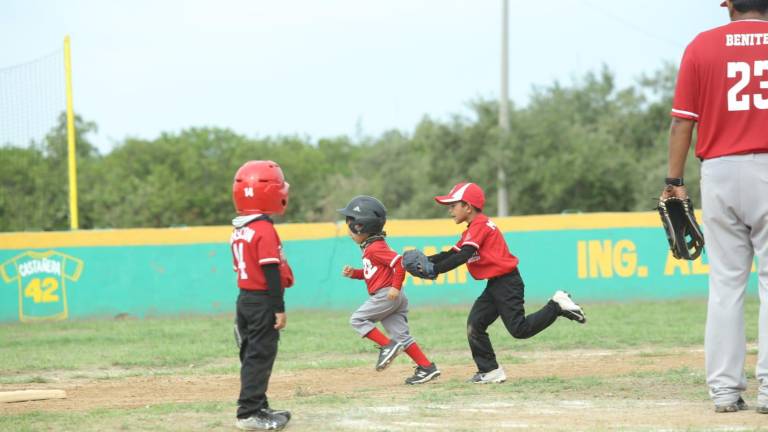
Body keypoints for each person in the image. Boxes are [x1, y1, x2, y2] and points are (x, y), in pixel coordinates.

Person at [662, 0, 768, 414]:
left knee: (726, 284)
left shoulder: (702, 46)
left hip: (720, 171)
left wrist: (674, 182)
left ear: (729, 4)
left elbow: (681, 122)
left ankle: (724, 390)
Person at [407, 182, 586, 384]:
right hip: (496, 284)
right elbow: (451, 253)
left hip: (508, 283)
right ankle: (490, 370)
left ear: (468, 206)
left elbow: (463, 256)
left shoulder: (480, 225)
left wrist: (435, 269)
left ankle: (557, 305)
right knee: (475, 324)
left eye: (453, 205)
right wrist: (427, 261)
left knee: (520, 329)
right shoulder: (472, 229)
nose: (450, 210)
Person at [338, 195, 441, 385]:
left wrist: (395, 287)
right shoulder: (371, 247)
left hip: (387, 295)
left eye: (350, 227)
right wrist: (355, 273)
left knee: (357, 319)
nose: (349, 233)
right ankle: (427, 367)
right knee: (402, 336)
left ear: (361, 226)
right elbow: (373, 274)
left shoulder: (375, 248)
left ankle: (388, 346)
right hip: (391, 295)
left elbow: (399, 263)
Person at [230, 160, 293, 430]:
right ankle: (249, 413)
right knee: (260, 356)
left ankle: (259, 406)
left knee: (252, 355)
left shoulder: (240, 228)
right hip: (261, 300)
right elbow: (270, 271)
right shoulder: (264, 229)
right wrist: (279, 307)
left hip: (245, 299)